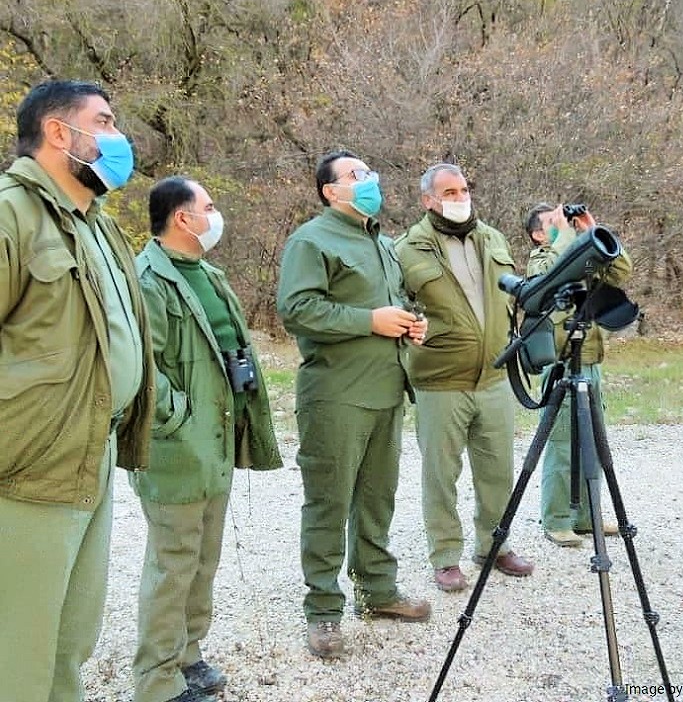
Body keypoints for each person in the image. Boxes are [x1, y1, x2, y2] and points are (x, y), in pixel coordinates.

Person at [0, 79, 155, 702]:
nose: (120, 139)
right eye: (107, 122)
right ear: (60, 133)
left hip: (94, 452)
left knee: (70, 641)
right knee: (19, 650)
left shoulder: (97, 223)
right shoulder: (12, 212)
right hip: (30, 466)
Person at [131, 177, 283, 702]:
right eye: (209, 207)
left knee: (202, 561)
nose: (216, 217)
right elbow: (139, 370)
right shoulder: (148, 280)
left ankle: (188, 655)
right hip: (177, 449)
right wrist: (181, 418)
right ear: (181, 218)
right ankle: (155, 682)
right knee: (173, 566)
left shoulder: (209, 276)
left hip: (214, 443)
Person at [276, 149, 431, 659]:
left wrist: (409, 324)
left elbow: (389, 305)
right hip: (337, 396)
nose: (369, 181)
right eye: (356, 175)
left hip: (387, 390)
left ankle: (378, 592)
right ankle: (323, 610)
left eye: (370, 173)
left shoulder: (383, 243)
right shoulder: (311, 240)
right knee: (329, 502)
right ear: (330, 190)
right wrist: (369, 321)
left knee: (377, 500)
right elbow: (297, 310)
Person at [395, 163, 533, 593]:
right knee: (441, 474)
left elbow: (513, 299)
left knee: (498, 470)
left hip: (493, 377)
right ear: (428, 200)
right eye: (449, 192)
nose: (459, 198)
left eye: (463, 190)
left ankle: (495, 545)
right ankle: (446, 556)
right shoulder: (407, 248)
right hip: (440, 380)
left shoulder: (493, 238)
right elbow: (394, 306)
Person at [525, 203, 632, 547]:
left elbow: (622, 272)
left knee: (593, 442)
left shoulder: (587, 259)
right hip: (560, 362)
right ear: (538, 233)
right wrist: (566, 237)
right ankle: (556, 518)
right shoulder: (541, 258)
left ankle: (587, 516)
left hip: (590, 359)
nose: (562, 227)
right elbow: (547, 280)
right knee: (560, 443)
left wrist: (593, 232)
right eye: (553, 224)